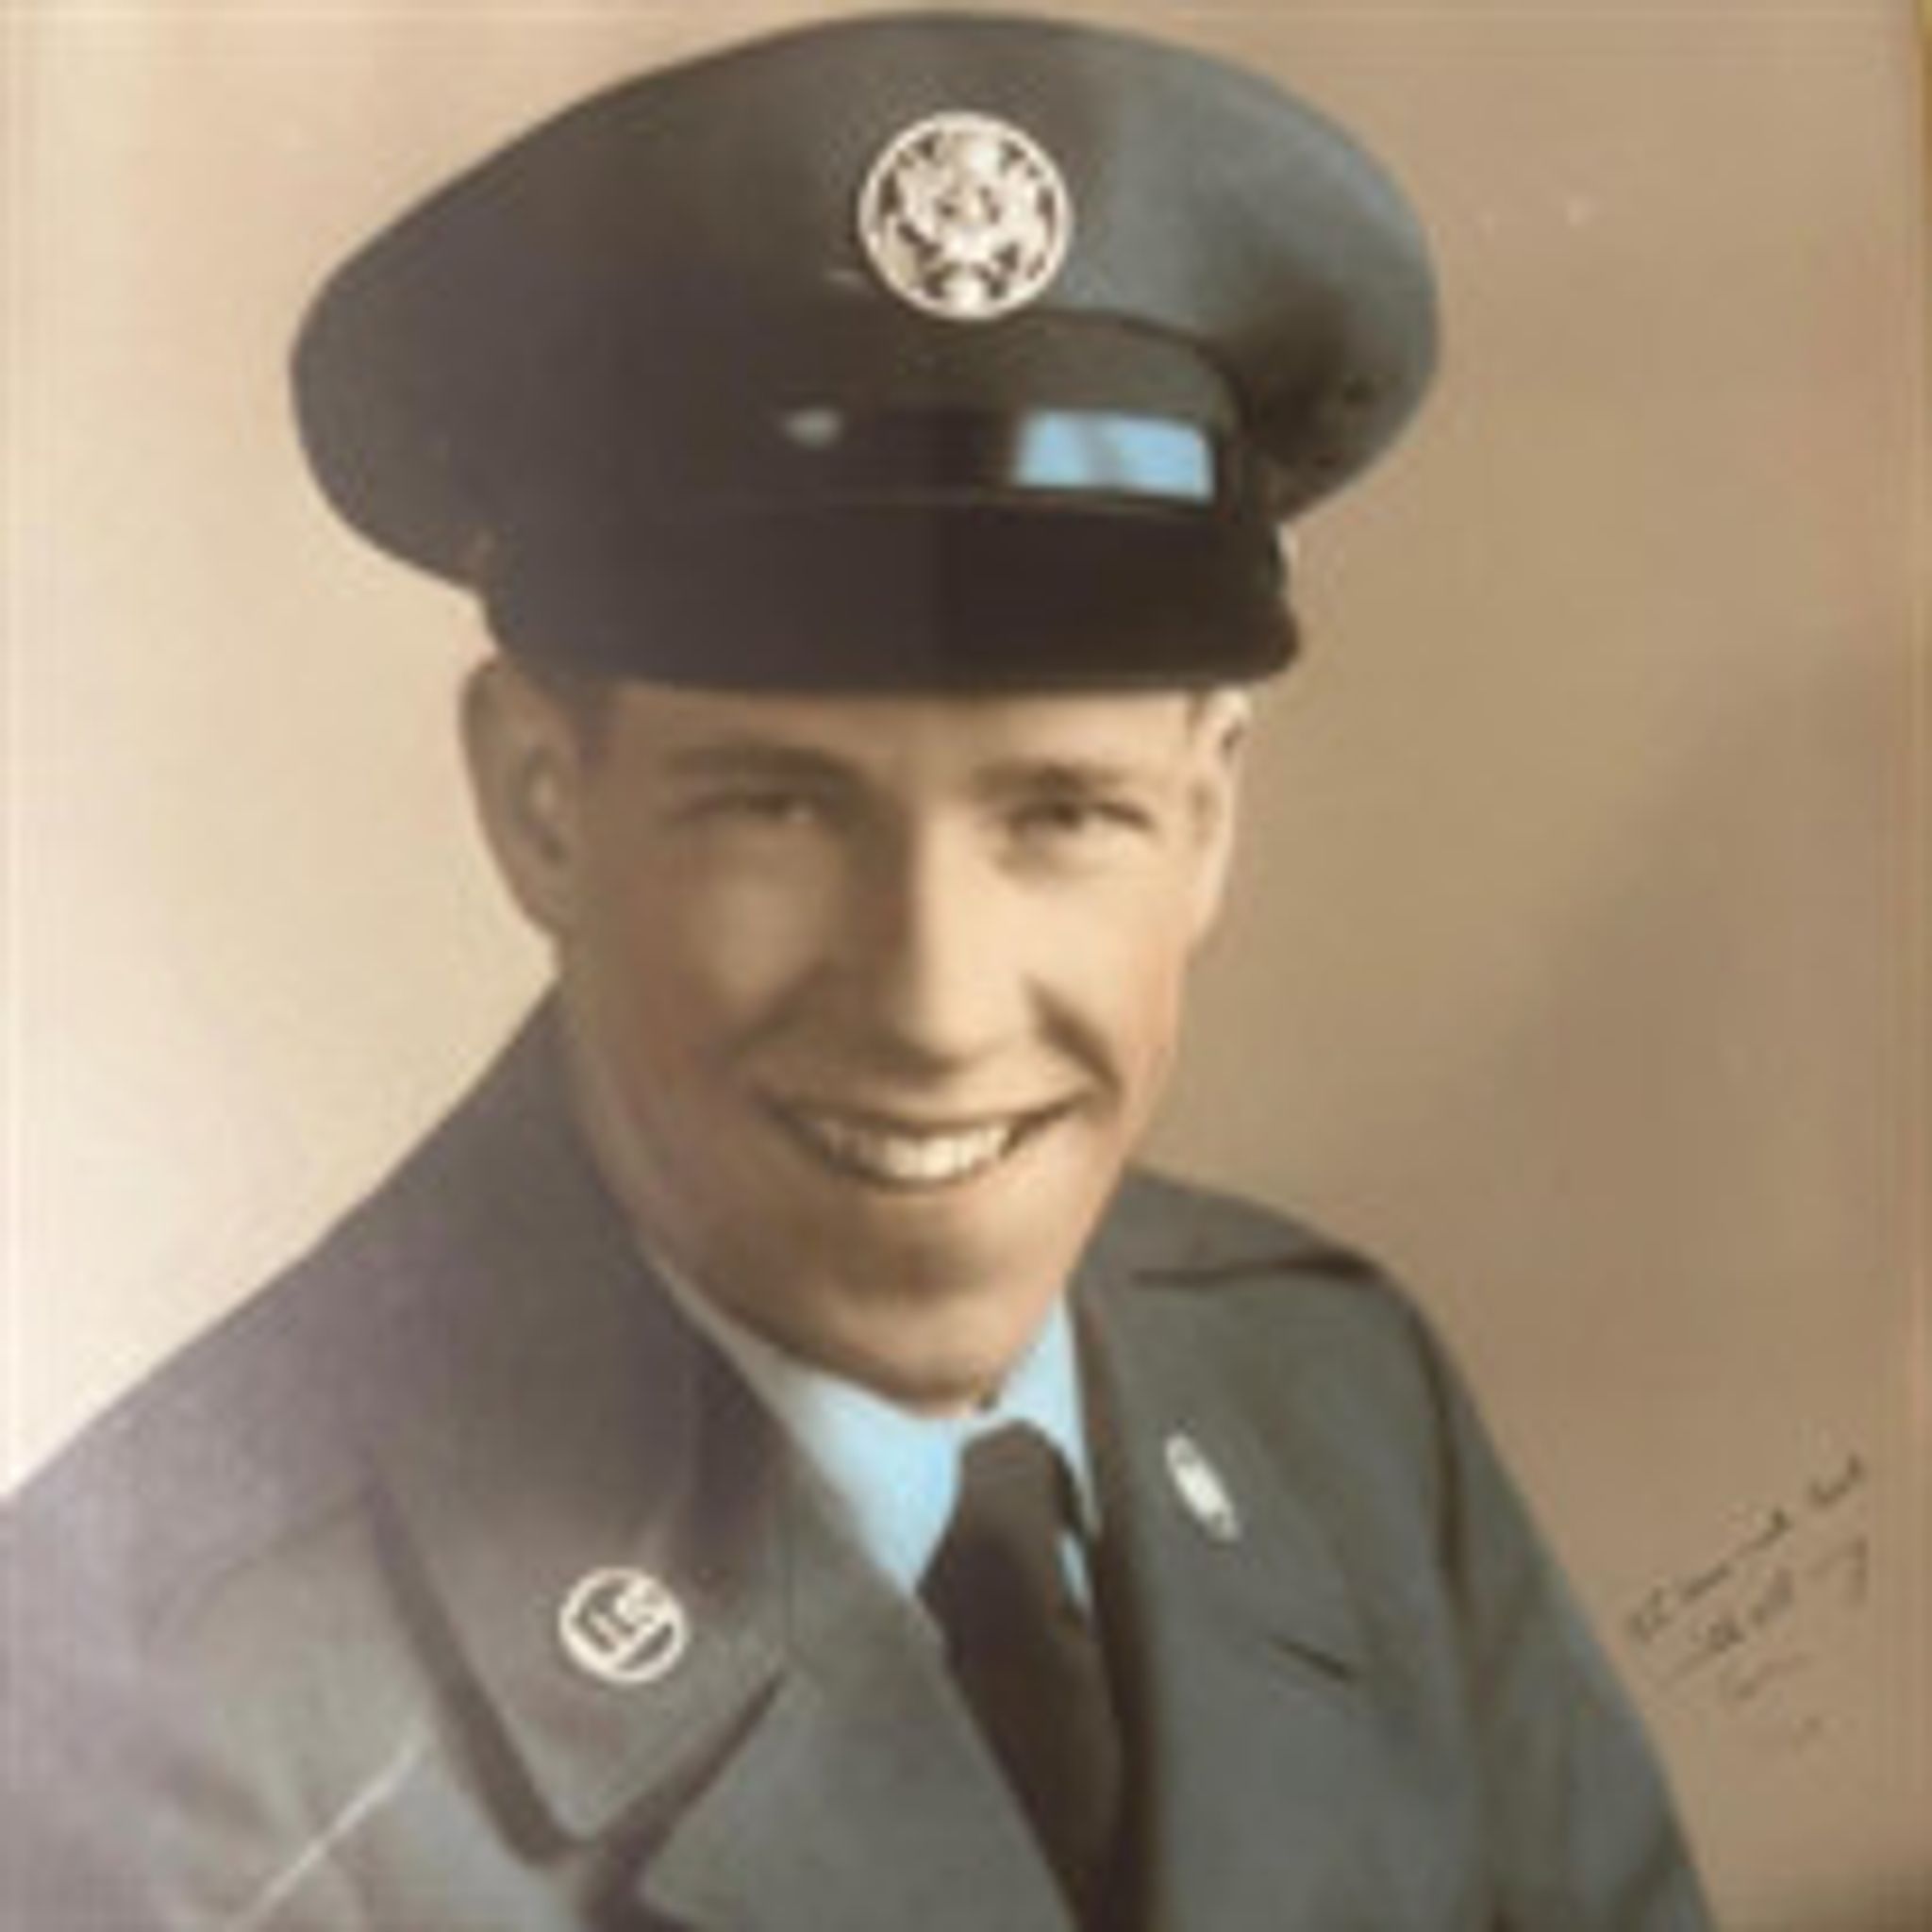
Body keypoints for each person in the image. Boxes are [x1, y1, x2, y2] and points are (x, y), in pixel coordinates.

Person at [1, 13, 1711, 1928]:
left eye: (1061, 812)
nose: (934, 1004)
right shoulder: (155, 1727)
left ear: (1208, 815)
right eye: (779, 809)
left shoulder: (1345, 1410)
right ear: (543, 807)